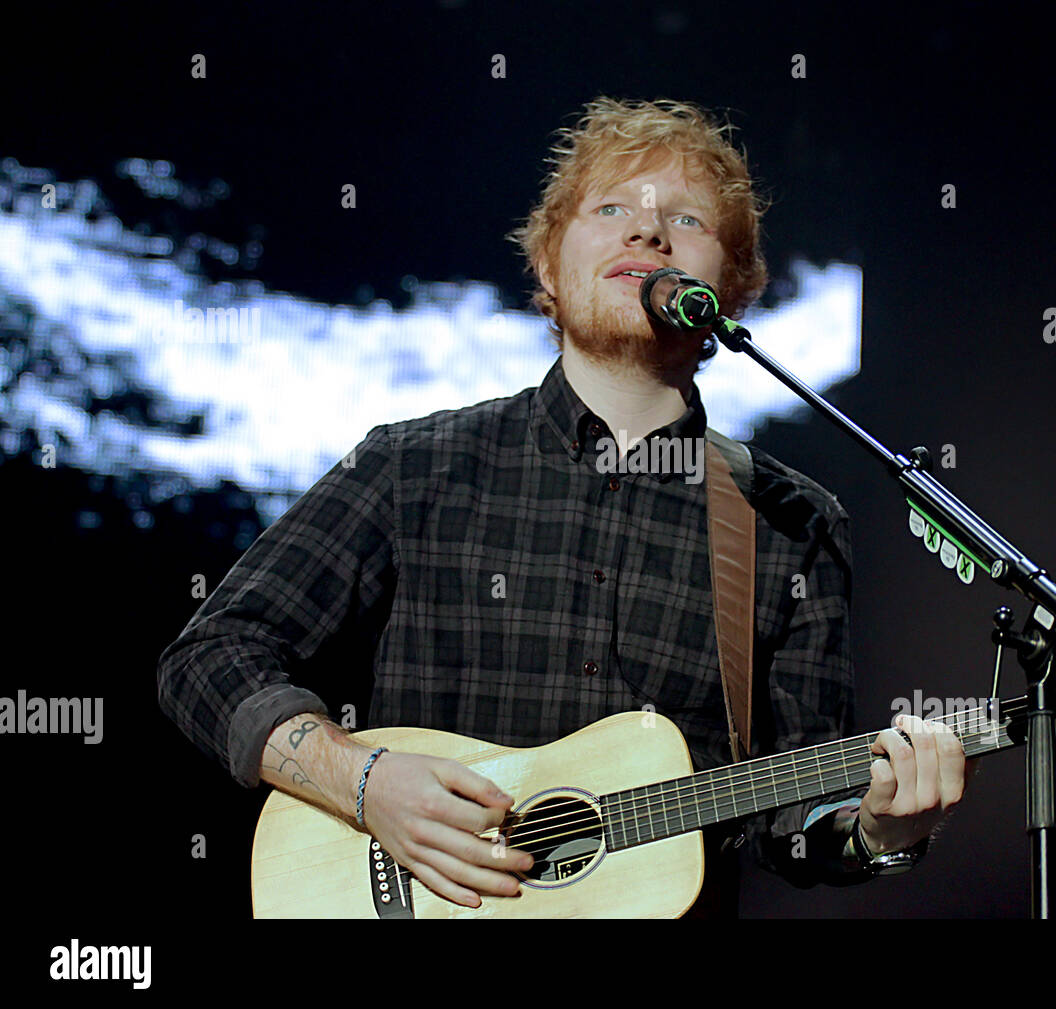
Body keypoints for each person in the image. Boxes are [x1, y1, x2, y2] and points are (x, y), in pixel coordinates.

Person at [156, 96, 976, 918]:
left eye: (685, 219)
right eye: (612, 208)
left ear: (731, 292)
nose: (647, 234)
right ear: (549, 266)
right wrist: (366, 783)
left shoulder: (790, 521)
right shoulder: (412, 467)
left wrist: (879, 829)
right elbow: (211, 656)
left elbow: (788, 824)